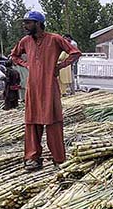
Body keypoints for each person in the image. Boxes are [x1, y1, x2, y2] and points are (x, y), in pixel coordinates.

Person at [11, 11, 81, 170]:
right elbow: (14, 56)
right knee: (32, 122)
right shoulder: (25, 41)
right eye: (25, 22)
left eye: (28, 22)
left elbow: (75, 53)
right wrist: (26, 64)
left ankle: (58, 158)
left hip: (50, 86)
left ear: (38, 23)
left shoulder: (55, 39)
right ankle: (33, 158)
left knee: (54, 122)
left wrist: (59, 66)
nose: (25, 25)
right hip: (33, 88)